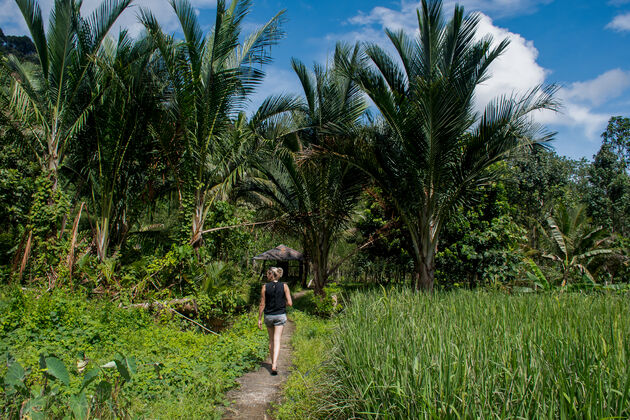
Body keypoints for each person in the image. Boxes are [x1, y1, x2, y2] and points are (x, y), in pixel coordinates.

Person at [258, 267, 292, 375]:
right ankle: (274, 364)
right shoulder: (284, 286)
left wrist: (259, 319)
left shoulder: (264, 287)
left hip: (268, 316)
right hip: (280, 315)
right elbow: (290, 303)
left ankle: (272, 361)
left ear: (270, 275)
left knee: (271, 340)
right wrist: (282, 303)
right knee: (277, 340)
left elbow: (262, 304)